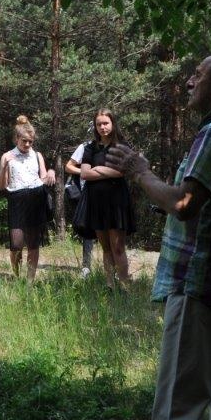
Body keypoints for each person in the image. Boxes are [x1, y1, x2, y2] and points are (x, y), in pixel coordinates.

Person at [105, 53, 211, 420]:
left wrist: (140, 171)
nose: (188, 82)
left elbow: (183, 204)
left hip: (203, 289)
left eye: (198, 75)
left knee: (177, 415)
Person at [76, 109, 136, 289]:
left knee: (118, 247)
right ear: (95, 127)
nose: (102, 127)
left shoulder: (122, 146)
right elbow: (85, 174)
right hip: (97, 202)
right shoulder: (90, 147)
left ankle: (124, 285)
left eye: (105, 123)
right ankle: (110, 285)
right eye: (99, 124)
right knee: (106, 247)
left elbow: (122, 171)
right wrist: (109, 171)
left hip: (117, 202)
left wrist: (98, 169)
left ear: (112, 123)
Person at [0, 115, 54, 282]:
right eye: (24, 141)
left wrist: (51, 172)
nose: (27, 144)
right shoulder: (7, 156)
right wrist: (4, 167)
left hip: (36, 198)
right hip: (17, 200)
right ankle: (16, 277)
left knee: (34, 243)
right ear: (16, 139)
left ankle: (29, 282)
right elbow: (1, 185)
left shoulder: (37, 155)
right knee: (16, 244)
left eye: (30, 141)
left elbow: (43, 178)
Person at [64, 138, 96, 278]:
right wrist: (84, 172)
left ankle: (114, 269)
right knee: (88, 230)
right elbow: (68, 167)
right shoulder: (85, 147)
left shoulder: (114, 146)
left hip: (107, 193)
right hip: (86, 193)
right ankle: (86, 266)